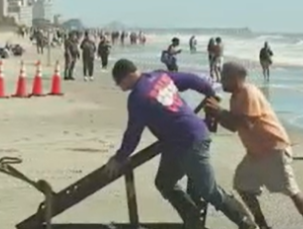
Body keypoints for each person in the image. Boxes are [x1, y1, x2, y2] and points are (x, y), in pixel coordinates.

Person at [104, 59, 257, 229]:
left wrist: (119, 158)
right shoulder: (160, 76)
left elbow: (133, 134)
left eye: (119, 82)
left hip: (191, 142)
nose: (120, 87)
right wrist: (210, 93)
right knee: (164, 182)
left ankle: (247, 224)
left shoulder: (138, 97)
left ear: (128, 76)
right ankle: (192, 220)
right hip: (175, 144)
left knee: (208, 190)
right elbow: (193, 80)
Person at [205, 62, 303, 229]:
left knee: (290, 189)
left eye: (224, 78)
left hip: (274, 148)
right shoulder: (235, 97)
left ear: (235, 78)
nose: (221, 81)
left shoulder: (248, 92)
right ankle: (262, 223)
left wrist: (220, 112)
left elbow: (247, 123)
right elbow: (233, 126)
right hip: (255, 153)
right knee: (242, 185)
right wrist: (217, 116)